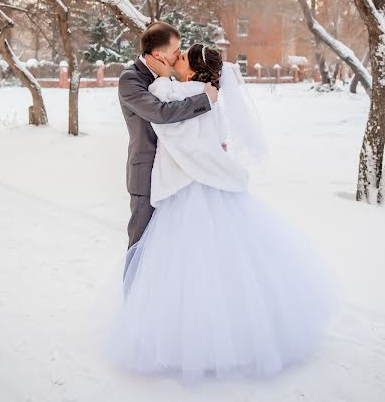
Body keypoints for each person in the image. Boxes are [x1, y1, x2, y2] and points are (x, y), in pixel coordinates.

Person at [107, 43, 339, 383]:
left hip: (187, 190)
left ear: (194, 69)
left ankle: (182, 339)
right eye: (175, 53)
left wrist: (209, 157)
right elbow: (217, 140)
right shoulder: (208, 96)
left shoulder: (176, 91)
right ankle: (237, 333)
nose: (176, 58)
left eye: (182, 57)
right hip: (208, 187)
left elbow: (183, 139)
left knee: (184, 269)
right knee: (225, 265)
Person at [118, 22, 218, 276]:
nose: (179, 54)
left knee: (167, 251)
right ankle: (131, 307)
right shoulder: (131, 80)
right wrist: (204, 100)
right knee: (140, 247)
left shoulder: (169, 80)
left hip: (176, 178)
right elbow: (161, 113)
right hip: (147, 176)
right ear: (158, 55)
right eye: (176, 49)